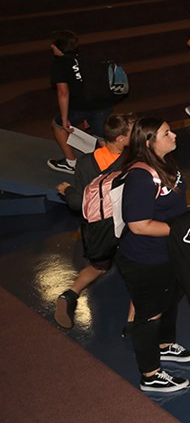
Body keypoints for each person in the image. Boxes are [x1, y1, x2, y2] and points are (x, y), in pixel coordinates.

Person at [116, 118, 190, 394]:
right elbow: (138, 224)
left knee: (170, 299)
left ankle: (165, 345)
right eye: (166, 132)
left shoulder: (166, 164)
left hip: (168, 252)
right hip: (145, 259)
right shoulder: (140, 176)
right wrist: (179, 230)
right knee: (148, 314)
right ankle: (150, 374)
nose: (174, 134)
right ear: (149, 142)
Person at [53, 112, 135, 331]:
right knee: (139, 271)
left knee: (98, 267)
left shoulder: (86, 162)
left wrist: (68, 190)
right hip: (125, 225)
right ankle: (132, 322)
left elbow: (79, 203)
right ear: (120, 139)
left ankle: (69, 295)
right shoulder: (131, 160)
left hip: (97, 229)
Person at [48, 30, 112, 175]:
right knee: (102, 138)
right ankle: (113, 170)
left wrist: (64, 119)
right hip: (103, 104)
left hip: (82, 106)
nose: (52, 46)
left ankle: (71, 163)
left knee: (57, 126)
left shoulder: (60, 64)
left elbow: (63, 93)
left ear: (60, 48)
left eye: (54, 45)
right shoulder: (89, 57)